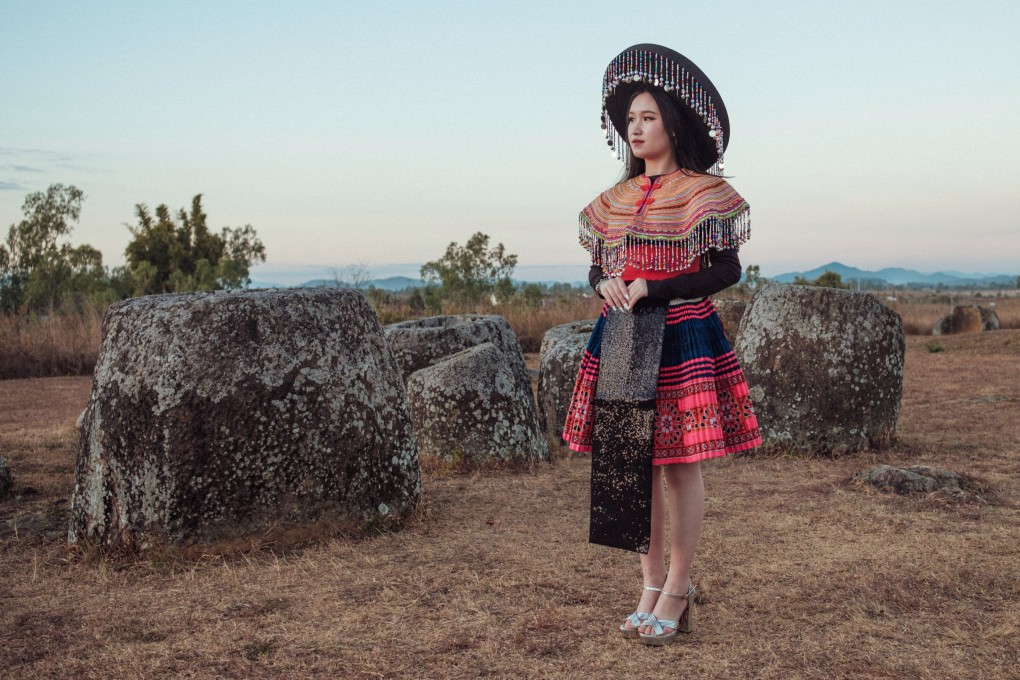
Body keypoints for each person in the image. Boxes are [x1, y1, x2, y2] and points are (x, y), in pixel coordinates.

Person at [562, 44, 763, 646]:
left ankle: (678, 584)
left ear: (672, 122)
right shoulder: (612, 202)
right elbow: (597, 270)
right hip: (621, 336)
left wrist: (655, 284)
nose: (637, 129)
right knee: (631, 464)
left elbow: (725, 270)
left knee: (677, 465)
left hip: (680, 333)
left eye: (648, 117)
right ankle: (649, 583)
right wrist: (605, 282)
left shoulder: (703, 193)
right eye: (630, 121)